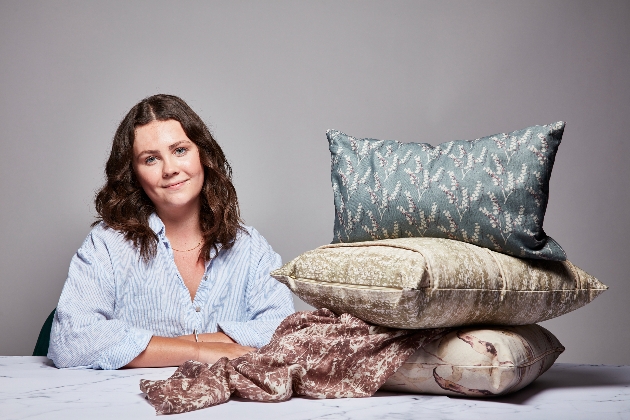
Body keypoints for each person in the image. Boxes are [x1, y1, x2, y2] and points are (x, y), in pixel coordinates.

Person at [48, 94, 295, 369]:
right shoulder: (106, 245)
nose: (170, 170)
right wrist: (196, 352)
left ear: (203, 154)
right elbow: (70, 342)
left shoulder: (251, 247)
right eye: (151, 159)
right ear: (134, 174)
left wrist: (186, 342)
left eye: (179, 150)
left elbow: (287, 335)